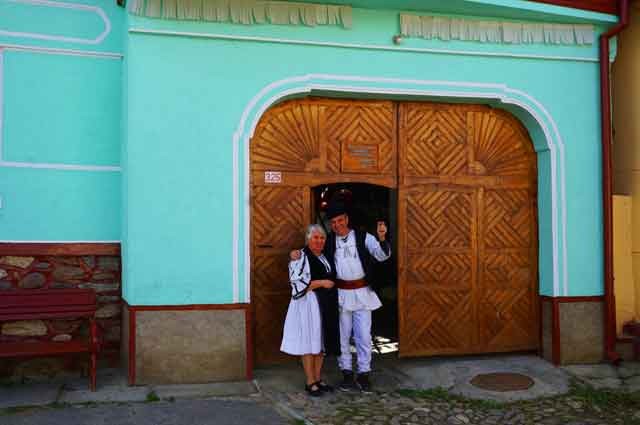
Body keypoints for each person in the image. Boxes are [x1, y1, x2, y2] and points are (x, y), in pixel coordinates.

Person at [291, 203, 390, 393]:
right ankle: (346, 374)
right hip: (340, 295)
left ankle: (363, 373)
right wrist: (295, 253)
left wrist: (382, 237)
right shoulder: (328, 242)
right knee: (342, 336)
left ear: (347, 219)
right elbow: (313, 250)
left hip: (363, 293)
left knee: (363, 335)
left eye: (340, 221)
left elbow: (382, 255)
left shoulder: (363, 237)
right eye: (333, 222)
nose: (337, 225)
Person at [281, 224, 338, 397]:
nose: (319, 241)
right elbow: (297, 285)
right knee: (308, 342)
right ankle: (310, 381)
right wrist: (321, 283)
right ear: (307, 239)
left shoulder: (326, 256)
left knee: (320, 342)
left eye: (322, 238)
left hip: (325, 304)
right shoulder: (300, 257)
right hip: (308, 305)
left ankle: (318, 379)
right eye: (315, 237)